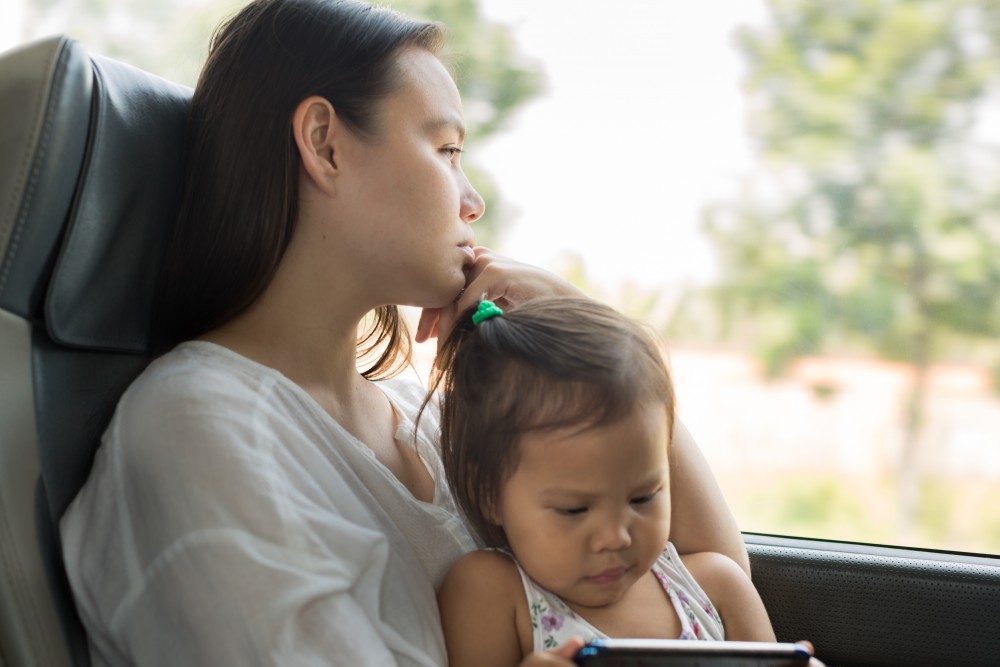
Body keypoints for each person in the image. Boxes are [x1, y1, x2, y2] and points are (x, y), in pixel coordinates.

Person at [59, 0, 749, 665]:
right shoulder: (199, 429)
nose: (472, 201)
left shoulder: (430, 422)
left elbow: (702, 583)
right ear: (325, 144)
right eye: (446, 148)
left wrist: (587, 320)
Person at [430, 297, 785, 667]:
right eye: (575, 509)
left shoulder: (717, 587)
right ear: (488, 493)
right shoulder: (491, 593)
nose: (617, 536)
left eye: (643, 498)